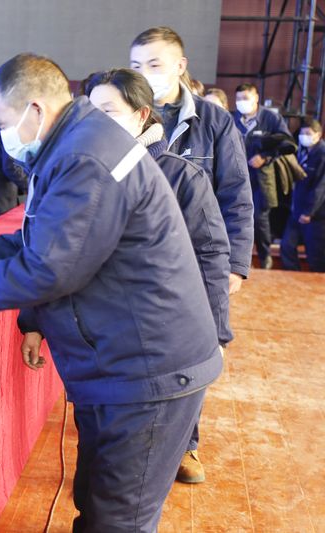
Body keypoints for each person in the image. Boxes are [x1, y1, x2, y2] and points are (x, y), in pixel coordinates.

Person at [0, 53, 222, 532]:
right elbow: (40, 236)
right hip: (123, 361)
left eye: (2, 123)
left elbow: (49, 268)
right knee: (97, 500)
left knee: (118, 519)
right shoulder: (75, 143)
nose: (3, 136)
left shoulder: (85, 156)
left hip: (147, 368)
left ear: (35, 109)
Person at [86, 68, 231, 484]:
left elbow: (210, 256)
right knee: (109, 453)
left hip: (167, 329)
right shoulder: (86, 175)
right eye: (91, 112)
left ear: (141, 115)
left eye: (109, 111)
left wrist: (217, 333)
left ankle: (185, 446)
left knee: (152, 446)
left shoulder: (182, 177)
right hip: (108, 331)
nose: (97, 123)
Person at [130, 26, 253, 294]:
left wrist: (235, 262)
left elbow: (236, 192)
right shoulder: (124, 119)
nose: (144, 74)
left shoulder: (214, 120)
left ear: (180, 65)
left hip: (198, 257)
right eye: (136, 66)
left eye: (154, 65)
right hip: (137, 260)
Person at [232, 82, 295, 269]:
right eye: (238, 98)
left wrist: (266, 156)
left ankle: (265, 257)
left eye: (246, 98)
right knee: (236, 218)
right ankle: (240, 260)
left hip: (261, 178)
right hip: (235, 178)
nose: (241, 102)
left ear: (256, 97)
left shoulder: (270, 117)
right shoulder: (231, 117)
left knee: (260, 219)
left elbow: (288, 143)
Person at [281, 117, 325, 272]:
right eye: (302, 133)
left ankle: (318, 283)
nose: (304, 137)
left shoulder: (322, 154)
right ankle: (293, 277)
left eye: (308, 133)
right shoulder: (302, 151)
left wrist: (309, 212)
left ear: (318, 135)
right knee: (287, 246)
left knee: (315, 254)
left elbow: (321, 187)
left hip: (314, 215)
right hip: (297, 210)